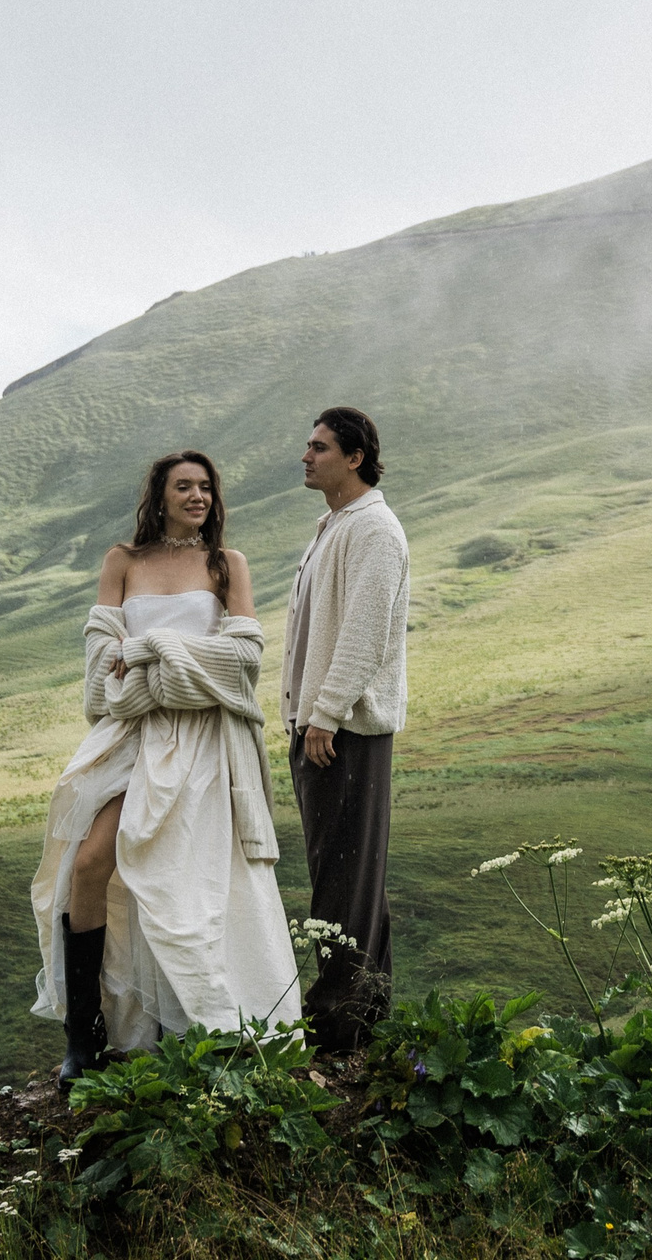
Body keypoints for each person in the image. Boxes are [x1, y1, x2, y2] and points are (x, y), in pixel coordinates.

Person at [29, 449, 299, 1085]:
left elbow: (242, 663)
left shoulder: (226, 565)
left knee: (186, 881)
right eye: (184, 486)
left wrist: (148, 651)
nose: (197, 496)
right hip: (129, 739)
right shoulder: (123, 562)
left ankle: (203, 1024)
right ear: (159, 494)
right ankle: (84, 1034)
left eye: (206, 486)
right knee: (91, 860)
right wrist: (169, 673)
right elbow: (100, 679)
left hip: (204, 746)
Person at [280, 406, 409, 1052]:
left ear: (354, 456)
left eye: (319, 446)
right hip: (322, 727)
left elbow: (365, 631)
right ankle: (367, 1024)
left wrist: (324, 714)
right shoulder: (333, 525)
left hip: (343, 731)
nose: (306, 456)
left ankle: (335, 1029)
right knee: (352, 877)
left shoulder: (374, 529)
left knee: (341, 879)